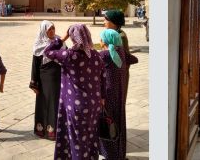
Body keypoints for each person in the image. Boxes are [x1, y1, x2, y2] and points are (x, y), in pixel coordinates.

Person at [44, 24, 105, 160]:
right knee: (90, 138)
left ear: (73, 37)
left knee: (77, 141)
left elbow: (47, 51)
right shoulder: (96, 55)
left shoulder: (69, 56)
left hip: (76, 107)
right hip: (94, 105)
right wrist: (102, 98)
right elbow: (103, 78)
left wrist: (62, 38)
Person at [29, 20, 63, 140]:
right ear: (44, 30)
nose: (52, 31)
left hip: (59, 77)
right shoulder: (39, 45)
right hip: (45, 79)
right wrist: (34, 84)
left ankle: (58, 130)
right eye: (49, 29)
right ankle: (43, 130)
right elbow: (35, 65)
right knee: (44, 103)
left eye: (53, 28)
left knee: (57, 103)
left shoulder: (60, 42)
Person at [98, 29, 127, 160]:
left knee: (108, 123)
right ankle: (119, 153)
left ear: (105, 40)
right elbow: (135, 59)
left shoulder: (104, 55)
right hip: (119, 92)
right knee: (118, 121)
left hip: (107, 93)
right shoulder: (120, 51)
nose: (99, 41)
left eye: (101, 38)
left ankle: (110, 155)